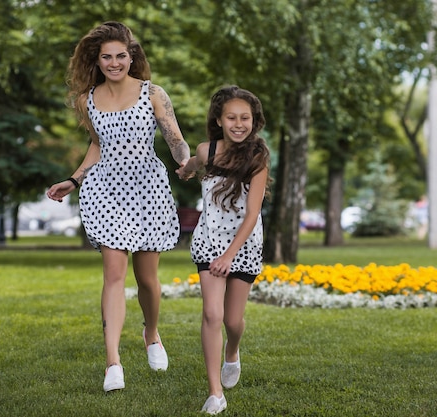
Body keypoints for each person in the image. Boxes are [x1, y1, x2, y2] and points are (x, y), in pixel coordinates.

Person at [46, 21, 190, 392]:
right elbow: (97, 146)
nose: (114, 63)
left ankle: (152, 333)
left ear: (132, 57)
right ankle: (113, 362)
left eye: (121, 56)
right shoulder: (88, 99)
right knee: (113, 274)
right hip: (106, 191)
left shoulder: (152, 92)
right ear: (96, 60)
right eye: (106, 57)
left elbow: (174, 138)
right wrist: (74, 180)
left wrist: (186, 161)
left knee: (146, 280)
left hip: (148, 190)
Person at [177, 86, 271, 415]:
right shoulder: (208, 150)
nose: (238, 123)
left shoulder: (258, 158)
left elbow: (252, 214)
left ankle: (233, 351)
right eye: (231, 117)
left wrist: (229, 255)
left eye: (245, 117)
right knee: (211, 314)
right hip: (209, 240)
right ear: (219, 120)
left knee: (232, 320)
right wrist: (186, 170)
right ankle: (215, 393)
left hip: (243, 245)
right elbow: (192, 164)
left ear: (254, 121)